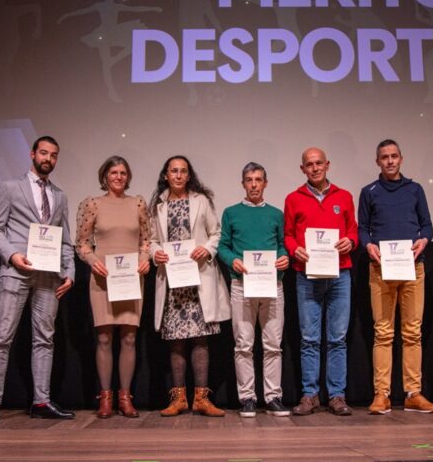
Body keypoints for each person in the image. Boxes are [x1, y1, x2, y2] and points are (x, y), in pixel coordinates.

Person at [0, 136, 75, 424]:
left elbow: (66, 241)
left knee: (45, 339)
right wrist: (12, 256)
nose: (48, 158)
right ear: (32, 154)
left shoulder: (60, 195)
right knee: (2, 337)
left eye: (54, 155)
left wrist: (69, 271)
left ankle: (41, 401)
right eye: (44, 153)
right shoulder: (10, 188)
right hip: (16, 271)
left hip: (48, 275)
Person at [358, 139, 433, 415]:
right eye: (384, 157)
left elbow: (427, 225)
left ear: (401, 158)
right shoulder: (369, 192)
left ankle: (413, 393)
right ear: (377, 162)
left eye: (394, 156)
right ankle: (382, 394)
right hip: (381, 268)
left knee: (412, 332)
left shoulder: (415, 190)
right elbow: (363, 229)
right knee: (383, 332)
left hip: (413, 267)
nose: (390, 161)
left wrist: (424, 240)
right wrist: (367, 245)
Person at [149, 155, 231, 417]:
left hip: (198, 280)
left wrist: (206, 249)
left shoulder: (201, 201)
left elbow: (217, 233)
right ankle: (179, 398)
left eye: (183, 171)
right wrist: (155, 253)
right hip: (173, 283)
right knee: (175, 341)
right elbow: (150, 240)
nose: (178, 175)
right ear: (166, 175)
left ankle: (202, 399)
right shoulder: (158, 205)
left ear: (189, 175)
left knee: (200, 339)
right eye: (174, 171)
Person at [284, 147, 358, 415]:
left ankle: (337, 395)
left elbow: (353, 231)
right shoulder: (293, 198)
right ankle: (310, 395)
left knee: (337, 338)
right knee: (309, 339)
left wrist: (351, 241)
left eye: (318, 163)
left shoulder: (345, 197)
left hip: (340, 274)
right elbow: (289, 235)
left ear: (327, 165)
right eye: (309, 165)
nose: (314, 168)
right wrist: (294, 250)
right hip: (307, 275)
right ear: (302, 168)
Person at [75, 156, 150, 418]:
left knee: (129, 338)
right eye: (113, 172)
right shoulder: (92, 204)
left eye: (123, 173)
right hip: (102, 277)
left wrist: (144, 259)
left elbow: (146, 240)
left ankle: (125, 397)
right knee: (104, 338)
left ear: (128, 177)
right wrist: (92, 260)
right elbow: (82, 242)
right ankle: (105, 397)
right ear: (104, 176)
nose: (118, 177)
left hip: (130, 278)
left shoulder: (138, 203)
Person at [218, 162, 290, 418]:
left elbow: (282, 245)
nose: (254, 184)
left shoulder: (275, 214)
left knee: (273, 345)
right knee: (243, 344)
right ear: (243, 184)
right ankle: (247, 398)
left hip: (273, 284)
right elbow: (222, 246)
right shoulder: (231, 213)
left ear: (265, 183)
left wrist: (284, 258)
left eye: (258, 179)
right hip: (241, 284)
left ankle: (273, 398)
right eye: (249, 180)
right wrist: (231, 260)